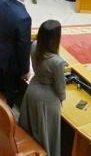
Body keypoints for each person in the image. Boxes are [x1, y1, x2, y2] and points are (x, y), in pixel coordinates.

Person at [18, 20, 66, 155]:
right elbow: (60, 87)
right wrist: (62, 98)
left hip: (32, 89)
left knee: (31, 129)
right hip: (48, 98)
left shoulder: (34, 45)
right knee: (47, 134)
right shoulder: (57, 62)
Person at [0, 0, 32, 107]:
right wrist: (25, 70)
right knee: (11, 91)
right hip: (11, 62)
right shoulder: (23, 18)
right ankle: (4, 115)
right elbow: (23, 47)